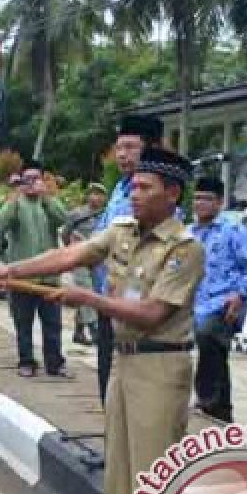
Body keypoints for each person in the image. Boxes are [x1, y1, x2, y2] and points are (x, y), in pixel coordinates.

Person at [0, 146, 203, 494]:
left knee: (154, 476)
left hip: (162, 367)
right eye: (135, 187)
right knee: (121, 471)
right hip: (124, 363)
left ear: (172, 193)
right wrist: (10, 270)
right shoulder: (122, 230)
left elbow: (151, 313)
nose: (135, 195)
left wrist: (87, 298)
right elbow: (69, 253)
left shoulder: (184, 248)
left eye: (145, 188)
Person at [90, 115, 166, 403]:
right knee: (108, 378)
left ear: (153, 147)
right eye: (119, 147)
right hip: (108, 297)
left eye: (130, 147)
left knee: (134, 388)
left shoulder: (161, 193)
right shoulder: (120, 190)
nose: (121, 155)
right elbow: (101, 240)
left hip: (136, 303)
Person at [190, 176, 247, 423]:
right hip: (194, 303)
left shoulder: (234, 230)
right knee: (209, 348)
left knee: (209, 335)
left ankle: (211, 402)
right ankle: (216, 406)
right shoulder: (189, 232)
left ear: (220, 202)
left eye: (207, 199)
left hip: (223, 302)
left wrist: (240, 295)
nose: (201, 204)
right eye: (197, 198)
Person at [0, 161, 70, 378]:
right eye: (27, 179)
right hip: (22, 276)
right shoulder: (17, 203)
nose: (32, 183)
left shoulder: (48, 204)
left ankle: (55, 363)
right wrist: (16, 196)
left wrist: (46, 196)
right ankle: (26, 361)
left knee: (53, 324)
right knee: (23, 322)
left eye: (36, 178)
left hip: (49, 277)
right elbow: (2, 221)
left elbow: (62, 219)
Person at [62, 183, 107, 346]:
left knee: (93, 291)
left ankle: (78, 331)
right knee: (85, 288)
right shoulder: (77, 214)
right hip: (79, 257)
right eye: (93, 194)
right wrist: (71, 250)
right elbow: (65, 233)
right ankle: (94, 327)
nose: (96, 197)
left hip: (98, 260)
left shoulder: (106, 215)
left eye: (100, 194)